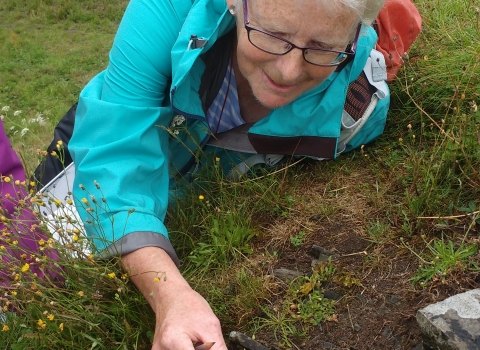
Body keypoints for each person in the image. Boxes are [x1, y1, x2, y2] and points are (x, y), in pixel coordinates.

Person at [60, 0, 390, 348]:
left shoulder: (358, 109)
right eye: (273, 34)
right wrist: (170, 296)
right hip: (97, 140)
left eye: (323, 48)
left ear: (356, 34)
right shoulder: (167, 8)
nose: (288, 71)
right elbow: (115, 149)